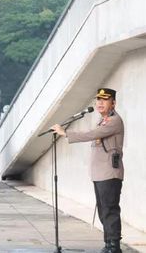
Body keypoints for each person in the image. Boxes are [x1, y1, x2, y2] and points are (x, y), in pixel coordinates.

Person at [52, 88, 124, 253]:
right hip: (100, 173)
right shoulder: (103, 120)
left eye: (105, 100)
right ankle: (108, 244)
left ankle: (114, 246)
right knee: (103, 210)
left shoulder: (114, 121)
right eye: (98, 99)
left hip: (109, 173)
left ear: (113, 103)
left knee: (110, 209)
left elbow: (91, 134)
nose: (100, 103)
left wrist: (65, 133)